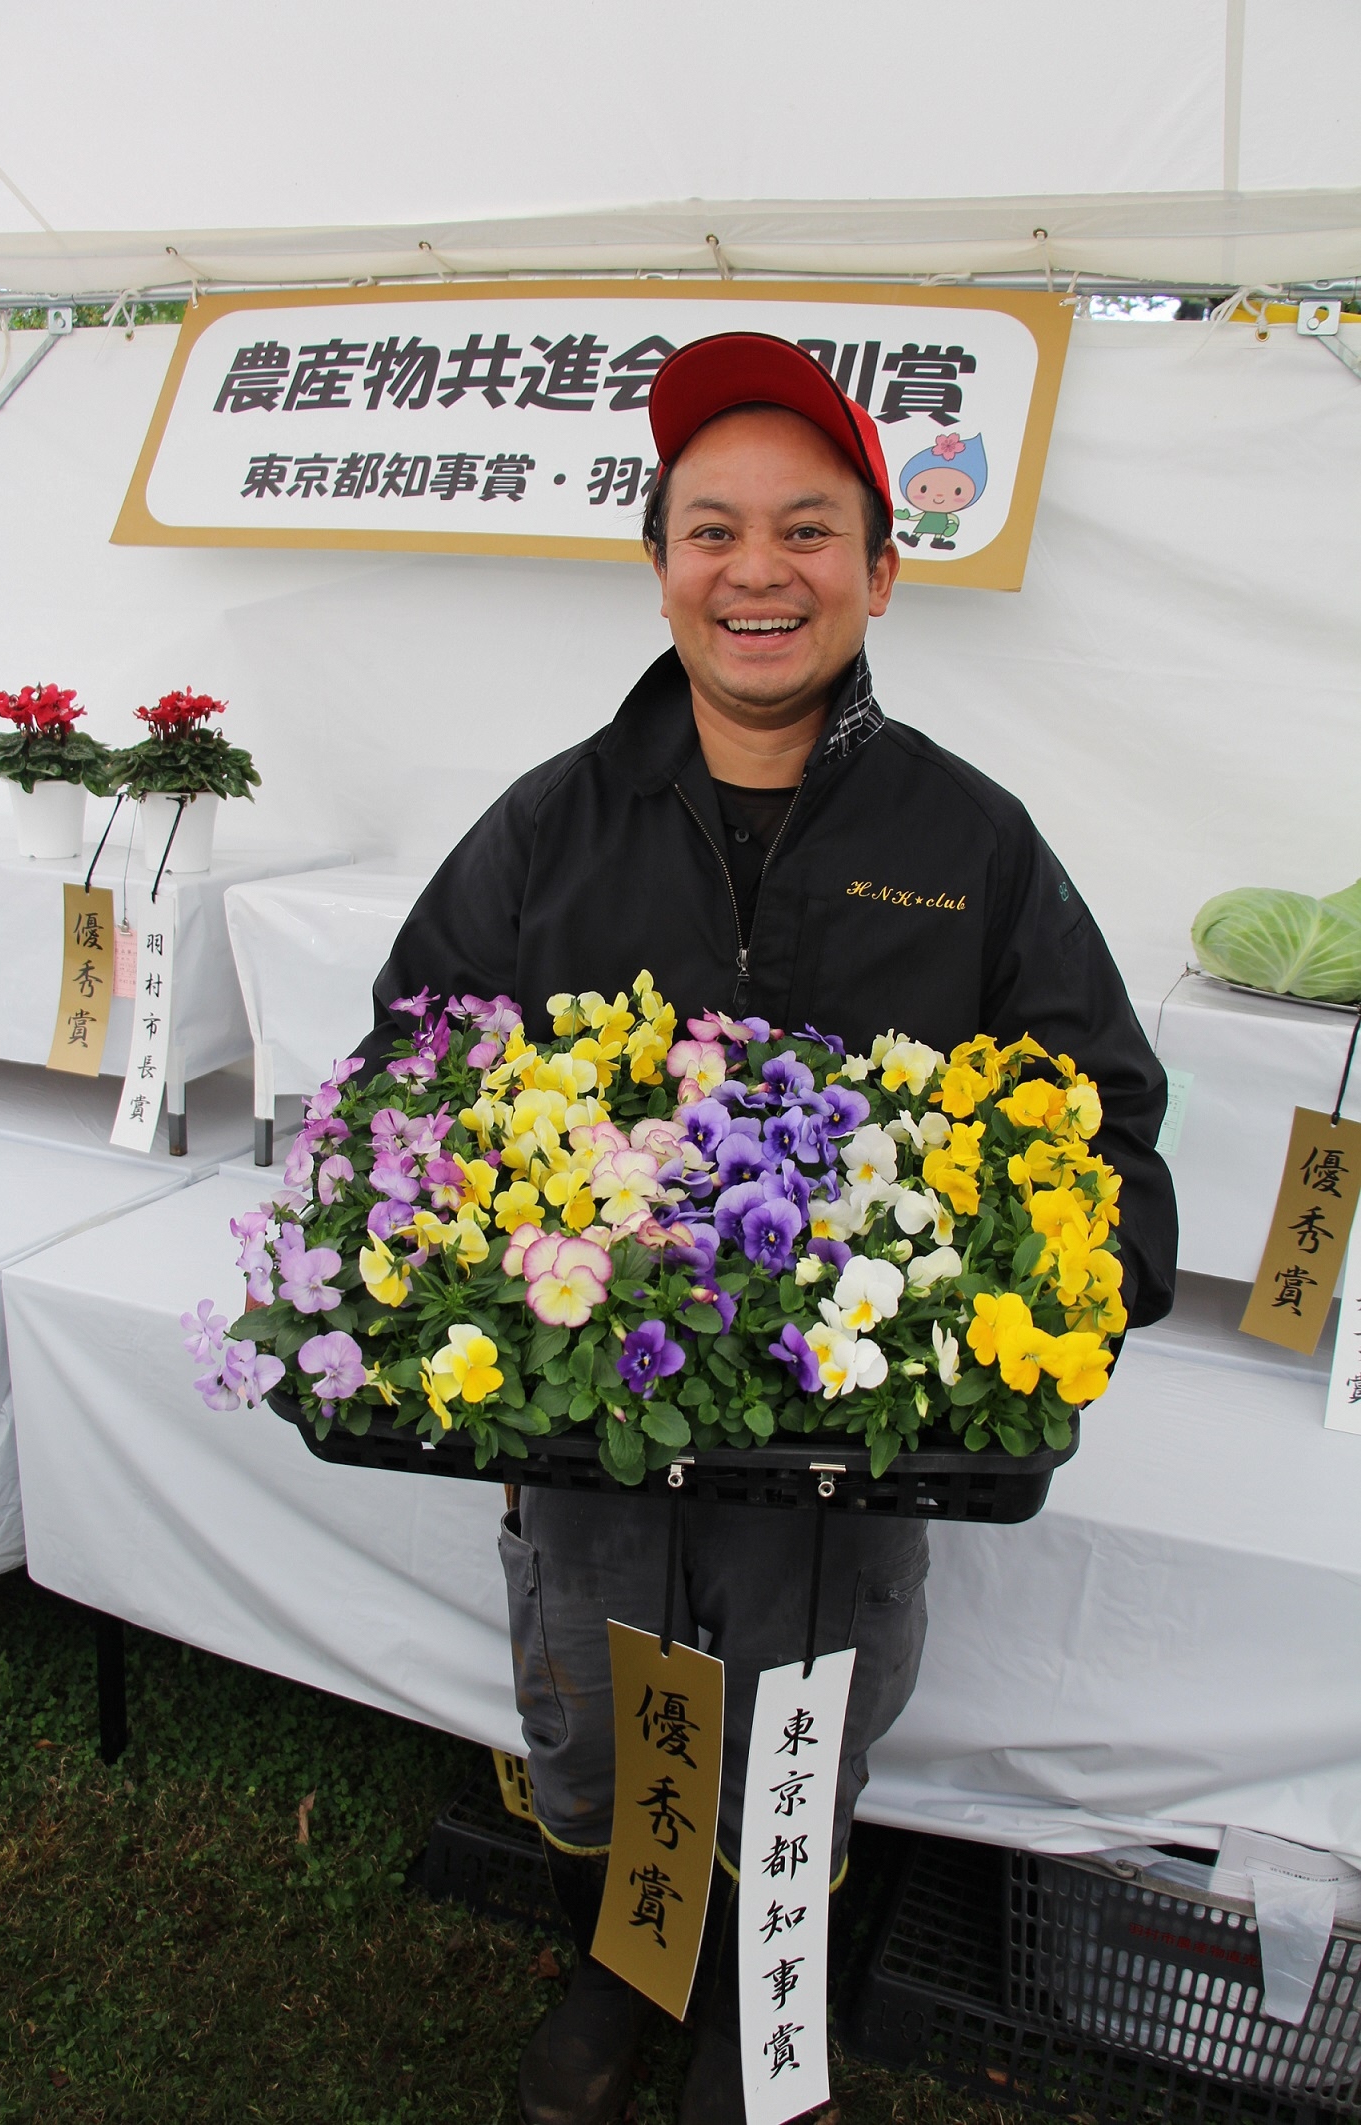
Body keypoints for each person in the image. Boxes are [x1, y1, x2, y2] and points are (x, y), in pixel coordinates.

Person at [355, 332, 1178, 2125]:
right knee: (596, 1720)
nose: (758, 571)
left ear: (882, 570)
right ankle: (626, 1958)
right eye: (712, 529)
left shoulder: (971, 840)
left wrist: (1053, 1281)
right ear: (658, 564)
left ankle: (756, 1985)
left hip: (839, 1464)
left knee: (804, 1731)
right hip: (594, 1432)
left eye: (808, 530)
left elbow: (1104, 1110)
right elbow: (402, 1074)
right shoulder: (551, 823)